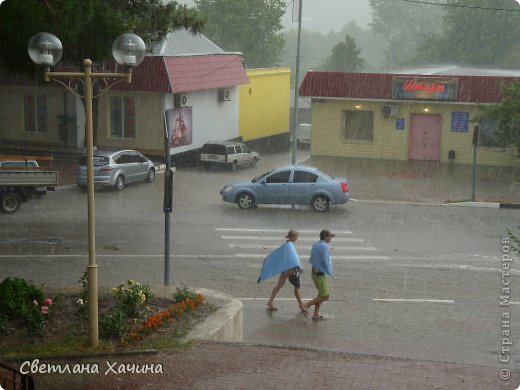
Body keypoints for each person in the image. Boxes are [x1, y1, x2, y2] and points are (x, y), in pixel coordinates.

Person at [257, 229, 307, 313]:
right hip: (291, 270)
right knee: (297, 288)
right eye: (296, 237)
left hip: (285, 269)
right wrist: (292, 270)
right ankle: (301, 305)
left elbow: (284, 257)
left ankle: (270, 302)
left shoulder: (287, 245)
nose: (297, 238)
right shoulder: (289, 246)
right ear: (292, 237)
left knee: (279, 285)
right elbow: (293, 260)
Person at [304, 229, 334, 320]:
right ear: (325, 237)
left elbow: (312, 257)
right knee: (325, 296)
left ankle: (316, 314)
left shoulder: (316, 244)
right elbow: (325, 260)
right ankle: (307, 304)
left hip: (314, 273)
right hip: (319, 275)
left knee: (320, 294)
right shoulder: (325, 247)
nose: (331, 239)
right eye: (330, 237)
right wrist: (330, 272)